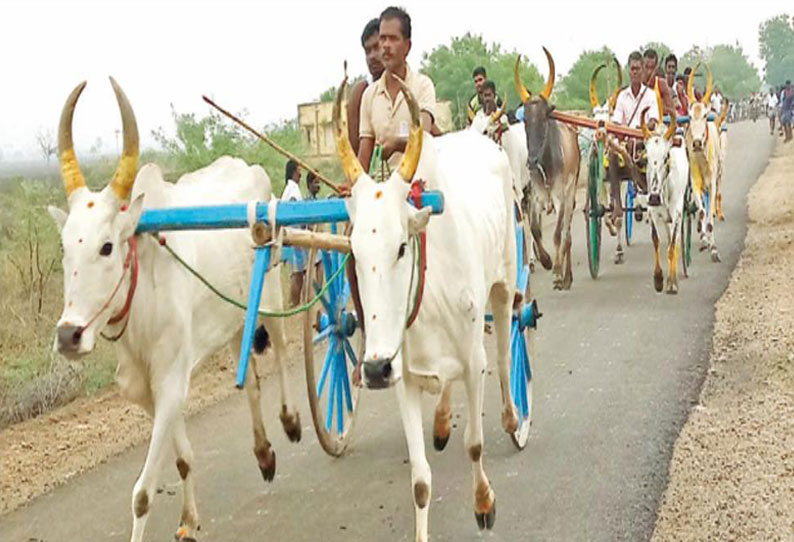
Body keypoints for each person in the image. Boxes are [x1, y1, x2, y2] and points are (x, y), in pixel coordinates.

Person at [357, 6, 437, 180]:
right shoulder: (369, 95)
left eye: (393, 39)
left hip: (416, 189)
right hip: (381, 191)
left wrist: (397, 144)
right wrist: (354, 185)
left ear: (407, 46)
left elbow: (424, 139)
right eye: (382, 39)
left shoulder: (423, 86)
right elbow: (364, 155)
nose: (385, 45)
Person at [606, 51, 660, 236]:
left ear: (644, 71)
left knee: (652, 152)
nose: (636, 72)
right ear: (629, 71)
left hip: (644, 142)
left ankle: (646, 189)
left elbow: (654, 121)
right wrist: (623, 137)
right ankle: (617, 205)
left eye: (639, 69)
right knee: (612, 153)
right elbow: (616, 122)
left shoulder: (651, 95)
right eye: (633, 69)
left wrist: (639, 133)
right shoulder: (622, 96)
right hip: (625, 143)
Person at [348, 18, 385, 156]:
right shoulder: (361, 93)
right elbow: (354, 150)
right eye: (367, 51)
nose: (372, 56)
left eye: (376, 48)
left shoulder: (409, 87)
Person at [281, 160, 306, 307]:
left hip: (292, 234)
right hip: (294, 236)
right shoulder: (292, 190)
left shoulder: (290, 188)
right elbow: (294, 211)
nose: (301, 174)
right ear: (294, 171)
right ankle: (294, 304)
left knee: (298, 272)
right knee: (297, 274)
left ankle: (294, 302)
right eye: (299, 170)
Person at [643, 49, 675, 118]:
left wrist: (659, 108)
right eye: (646, 67)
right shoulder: (638, 84)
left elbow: (672, 111)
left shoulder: (661, 84)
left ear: (656, 68)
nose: (649, 72)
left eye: (652, 68)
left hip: (657, 126)